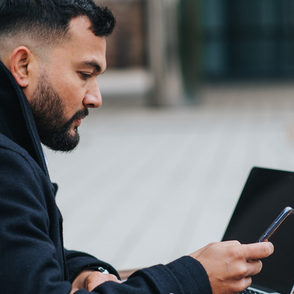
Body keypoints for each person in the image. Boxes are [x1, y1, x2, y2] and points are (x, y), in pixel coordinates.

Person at [0, 1, 273, 294]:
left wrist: (87, 271)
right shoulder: (7, 165)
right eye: (84, 73)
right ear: (23, 66)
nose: (95, 98)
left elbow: (22, 261)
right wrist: (193, 278)